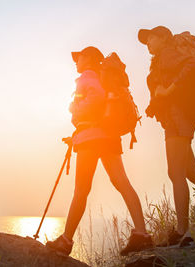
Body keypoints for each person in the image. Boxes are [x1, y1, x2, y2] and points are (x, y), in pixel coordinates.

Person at [46, 46, 153, 256]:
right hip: (109, 135)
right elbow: (102, 101)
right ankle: (142, 234)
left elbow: (95, 99)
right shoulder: (105, 78)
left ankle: (66, 240)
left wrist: (74, 110)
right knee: (122, 182)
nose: (76, 62)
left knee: (81, 190)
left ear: (88, 59)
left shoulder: (87, 76)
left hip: (91, 138)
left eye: (79, 57)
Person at [138, 26, 195, 247]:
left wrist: (168, 90)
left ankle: (183, 232)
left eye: (151, 38)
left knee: (175, 172)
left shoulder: (167, 52)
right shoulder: (161, 59)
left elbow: (192, 65)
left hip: (178, 120)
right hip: (177, 118)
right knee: (189, 171)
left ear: (164, 38)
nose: (148, 43)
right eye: (145, 41)